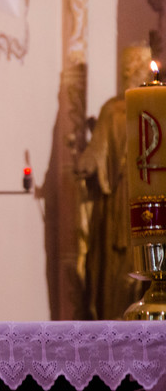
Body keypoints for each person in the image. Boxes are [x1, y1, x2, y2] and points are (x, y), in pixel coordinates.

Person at [76, 47, 150, 319]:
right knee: (117, 267)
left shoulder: (149, 108)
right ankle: (118, 319)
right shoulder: (113, 110)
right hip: (120, 201)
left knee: (140, 264)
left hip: (143, 197)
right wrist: (85, 164)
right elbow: (95, 155)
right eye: (132, 69)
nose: (131, 74)